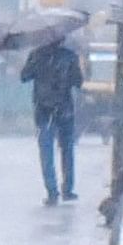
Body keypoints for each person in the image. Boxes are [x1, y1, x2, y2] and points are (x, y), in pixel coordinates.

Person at [21, 31, 84, 204]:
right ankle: (68, 189)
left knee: (46, 152)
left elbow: (24, 76)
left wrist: (36, 67)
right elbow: (78, 82)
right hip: (65, 110)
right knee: (67, 150)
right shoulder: (70, 57)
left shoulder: (36, 56)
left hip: (43, 110)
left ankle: (52, 191)